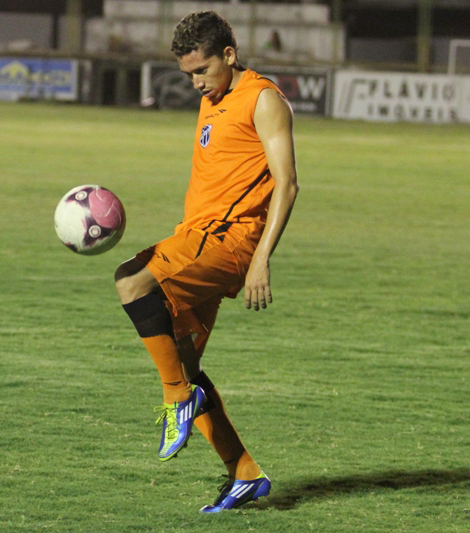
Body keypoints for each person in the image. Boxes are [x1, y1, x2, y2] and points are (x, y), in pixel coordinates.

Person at [114, 10, 299, 513]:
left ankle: (177, 399)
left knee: (131, 281)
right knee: (185, 357)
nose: (196, 83)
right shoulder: (214, 97)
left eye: (202, 71)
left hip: (229, 243)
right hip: (197, 237)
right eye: (188, 75)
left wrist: (261, 259)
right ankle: (244, 474)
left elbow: (288, 183)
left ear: (229, 56)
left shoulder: (262, 100)